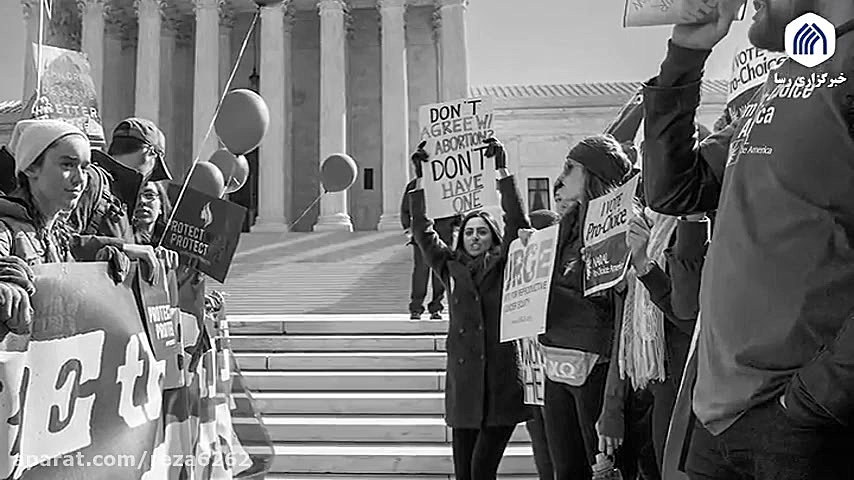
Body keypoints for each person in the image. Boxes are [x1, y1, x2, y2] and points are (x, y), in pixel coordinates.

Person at [642, 1, 854, 478]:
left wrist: (815, 401)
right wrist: (684, 57)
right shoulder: (785, 80)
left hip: (802, 429)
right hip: (720, 424)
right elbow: (674, 188)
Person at [408, 138, 530, 480]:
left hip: (499, 382)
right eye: (469, 233)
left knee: (481, 473)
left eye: (482, 233)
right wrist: (421, 179)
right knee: (465, 474)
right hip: (464, 388)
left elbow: (517, 222)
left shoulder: (506, 263)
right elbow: (422, 229)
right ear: (460, 239)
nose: (475, 238)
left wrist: (502, 172)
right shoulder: (450, 267)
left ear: (493, 238)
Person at [533, 134, 633, 480]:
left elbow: (624, 323)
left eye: (569, 168)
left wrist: (613, 404)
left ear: (591, 174)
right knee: (565, 469)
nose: (559, 179)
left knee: (603, 471)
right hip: (555, 363)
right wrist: (528, 261)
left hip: (597, 370)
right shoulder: (563, 230)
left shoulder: (619, 232)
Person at [0, 120, 134, 338]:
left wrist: (101, 269)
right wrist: (5, 288)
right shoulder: (5, 229)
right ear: (31, 167)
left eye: (84, 167)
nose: (80, 179)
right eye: (67, 165)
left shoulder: (59, 237)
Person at [400, 178, 457, 320]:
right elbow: (406, 208)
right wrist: (407, 228)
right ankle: (416, 308)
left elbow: (457, 204)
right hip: (422, 234)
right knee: (421, 272)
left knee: (441, 273)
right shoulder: (415, 184)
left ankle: (436, 308)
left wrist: (457, 225)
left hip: (445, 232)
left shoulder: (448, 180)